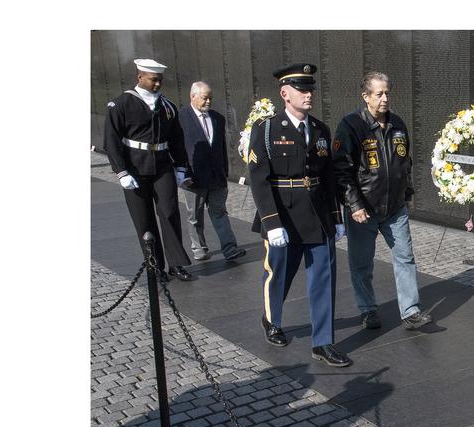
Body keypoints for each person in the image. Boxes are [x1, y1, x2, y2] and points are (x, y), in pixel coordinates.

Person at [247, 63, 351, 367]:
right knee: (279, 273)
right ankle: (272, 320)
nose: (309, 95)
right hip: (283, 214)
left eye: (311, 89)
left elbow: (328, 177)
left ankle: (323, 342)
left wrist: (336, 216)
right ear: (285, 93)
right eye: (302, 89)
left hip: (317, 215)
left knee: (323, 278)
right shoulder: (266, 128)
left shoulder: (320, 129)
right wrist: (271, 222)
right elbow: (258, 177)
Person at [332, 72, 432, 331]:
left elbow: (404, 163)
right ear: (365, 97)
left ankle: (410, 311)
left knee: (405, 257)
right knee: (362, 263)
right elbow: (342, 169)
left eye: (387, 92)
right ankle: (367, 309)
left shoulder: (397, 124)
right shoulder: (351, 125)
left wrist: (407, 194)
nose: (385, 98)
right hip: (363, 208)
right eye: (379, 94)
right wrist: (354, 205)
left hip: (394, 208)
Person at [103, 58, 193, 282]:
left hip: (162, 166)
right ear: (140, 77)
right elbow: (111, 140)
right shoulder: (121, 104)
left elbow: (177, 139)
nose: (157, 84)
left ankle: (176, 264)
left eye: (160, 80)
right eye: (153, 80)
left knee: (170, 213)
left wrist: (181, 166)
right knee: (144, 220)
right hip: (134, 168)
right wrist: (121, 172)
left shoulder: (167, 106)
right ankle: (155, 267)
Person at [178, 81, 246, 262]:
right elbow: (177, 148)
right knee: (195, 216)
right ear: (193, 96)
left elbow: (221, 148)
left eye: (210, 98)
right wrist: (183, 173)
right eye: (204, 98)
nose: (208, 101)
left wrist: (224, 172)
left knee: (219, 212)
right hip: (193, 178)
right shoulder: (181, 117)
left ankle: (230, 248)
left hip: (216, 178)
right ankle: (199, 249)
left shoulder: (217, 118)